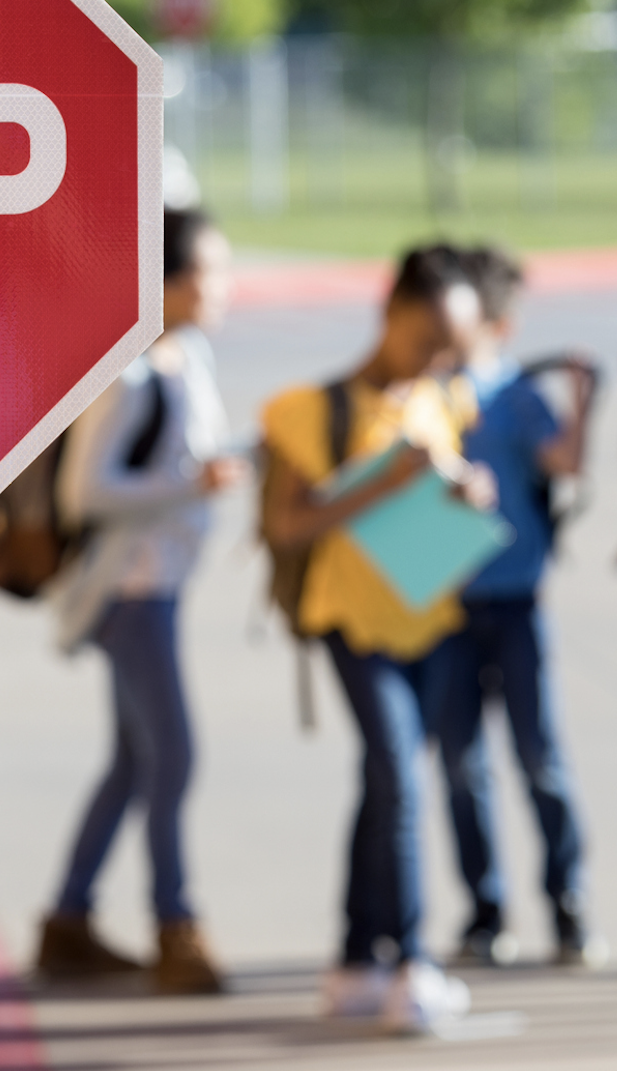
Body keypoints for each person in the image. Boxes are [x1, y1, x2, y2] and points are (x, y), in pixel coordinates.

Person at [261, 244, 496, 1034]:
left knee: (385, 783)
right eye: (428, 338)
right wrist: (379, 488)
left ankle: (357, 955)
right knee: (400, 775)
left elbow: (464, 477)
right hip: (351, 619)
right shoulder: (313, 410)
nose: (436, 358)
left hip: (428, 613)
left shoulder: (446, 397)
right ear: (391, 313)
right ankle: (414, 960)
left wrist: (468, 489)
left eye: (451, 348)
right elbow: (286, 526)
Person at [35, 208, 248, 995]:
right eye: (209, 272)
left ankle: (68, 920)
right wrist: (191, 484)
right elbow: (84, 492)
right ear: (167, 282)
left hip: (162, 581)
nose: (222, 287)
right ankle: (175, 924)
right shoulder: (125, 375)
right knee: (174, 755)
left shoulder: (185, 357)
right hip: (130, 591)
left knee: (132, 763)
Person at [418, 245, 601, 969]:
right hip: (448, 605)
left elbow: (565, 461)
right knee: (460, 763)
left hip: (516, 601)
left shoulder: (516, 396)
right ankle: (485, 906)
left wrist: (583, 401)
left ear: (496, 323)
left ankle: (567, 897)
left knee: (539, 756)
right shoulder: (425, 394)